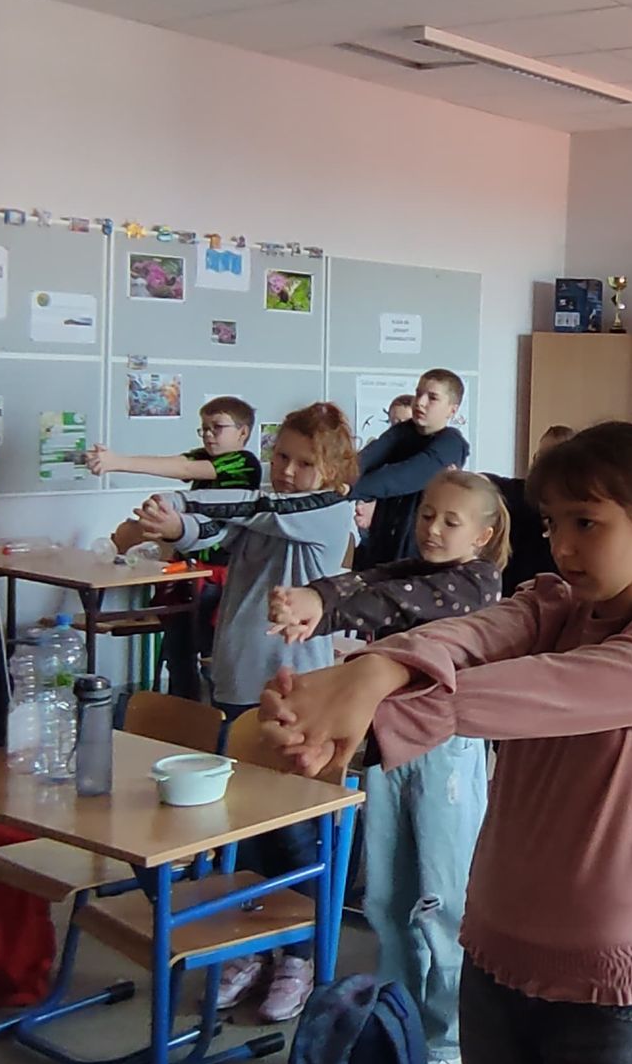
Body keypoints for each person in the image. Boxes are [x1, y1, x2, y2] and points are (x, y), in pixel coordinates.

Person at [258, 421, 632, 1064]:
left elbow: (543, 690)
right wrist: (376, 669)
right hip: (493, 963)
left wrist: (371, 701)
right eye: (552, 523)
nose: (564, 546)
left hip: (605, 994)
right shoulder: (555, 604)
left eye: (587, 522)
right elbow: (475, 633)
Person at [267, 469, 509, 1064]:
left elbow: (395, 602)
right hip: (387, 743)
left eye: (451, 521)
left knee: (443, 901)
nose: (432, 529)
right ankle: (398, 1024)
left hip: (445, 754)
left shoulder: (476, 583)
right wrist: (312, 600)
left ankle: (449, 1040)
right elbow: (366, 580)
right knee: (386, 897)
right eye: (427, 514)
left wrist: (327, 608)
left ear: (483, 536)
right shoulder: (416, 568)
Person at [131, 401, 359, 1022]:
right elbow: (214, 533)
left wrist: (184, 502)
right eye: (280, 456)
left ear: (332, 473)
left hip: (292, 689)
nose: (286, 470)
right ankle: (254, 945)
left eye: (304, 463)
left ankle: (299, 955)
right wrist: (173, 526)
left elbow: (248, 509)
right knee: (245, 828)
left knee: (291, 830)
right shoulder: (264, 506)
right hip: (235, 682)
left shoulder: (324, 510)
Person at [90, 395, 262, 700]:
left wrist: (118, 462)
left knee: (210, 654)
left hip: (221, 577)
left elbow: (184, 468)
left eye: (217, 427)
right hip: (188, 573)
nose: (208, 434)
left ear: (242, 433)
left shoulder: (245, 463)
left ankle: (215, 714)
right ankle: (183, 710)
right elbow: (173, 462)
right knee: (178, 652)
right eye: (204, 428)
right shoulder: (203, 457)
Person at [352, 369, 469, 568]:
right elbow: (365, 460)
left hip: (419, 552)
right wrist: (336, 479)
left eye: (432, 398)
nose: (420, 402)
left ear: (452, 410)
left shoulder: (452, 444)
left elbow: (403, 477)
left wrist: (347, 489)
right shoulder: (402, 432)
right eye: (418, 393)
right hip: (382, 544)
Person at [490, 425, 571, 596]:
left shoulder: (574, 514)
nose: (544, 468)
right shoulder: (518, 493)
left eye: (553, 460)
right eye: (540, 458)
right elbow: (485, 484)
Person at [354, 394, 419, 535]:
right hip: (377, 531)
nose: (400, 428)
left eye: (406, 422)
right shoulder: (379, 452)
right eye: (395, 422)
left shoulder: (427, 459)